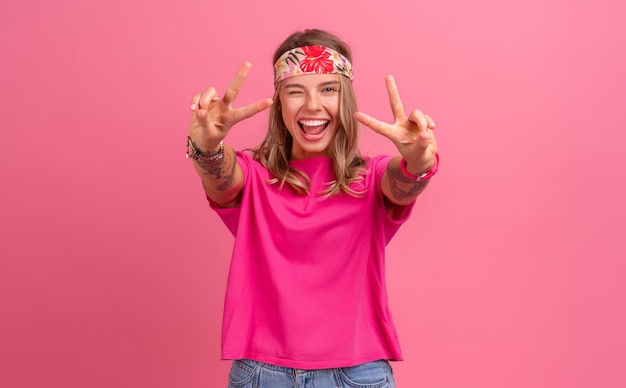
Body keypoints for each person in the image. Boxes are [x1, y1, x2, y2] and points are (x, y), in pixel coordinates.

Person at [187, 29, 439, 388]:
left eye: (328, 89)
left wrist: (419, 160)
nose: (312, 105)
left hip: (357, 374)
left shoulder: (371, 178)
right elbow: (220, 175)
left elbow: (404, 183)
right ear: (279, 103)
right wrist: (206, 147)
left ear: (345, 100)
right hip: (262, 374)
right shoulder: (254, 177)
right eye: (295, 91)